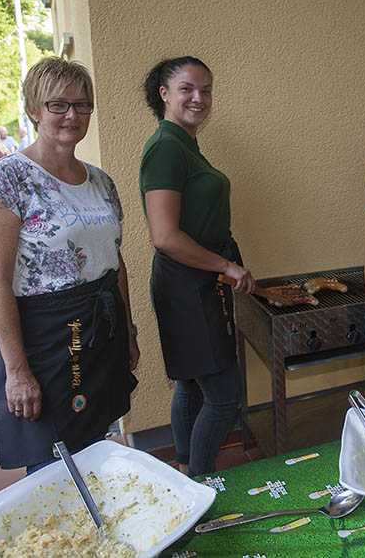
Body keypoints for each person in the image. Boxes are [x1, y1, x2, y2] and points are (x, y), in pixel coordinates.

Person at [0, 56, 139, 473]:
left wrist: (129, 331)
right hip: (47, 338)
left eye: (82, 105)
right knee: (52, 459)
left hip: (100, 329)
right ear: (33, 109)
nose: (72, 115)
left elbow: (114, 262)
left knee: (95, 439)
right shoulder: (7, 180)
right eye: (58, 105)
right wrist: (16, 370)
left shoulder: (101, 181)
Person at [140, 56, 254, 476]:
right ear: (164, 94)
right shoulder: (167, 147)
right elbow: (165, 236)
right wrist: (227, 265)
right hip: (187, 285)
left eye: (206, 89)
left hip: (193, 281)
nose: (199, 97)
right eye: (187, 88)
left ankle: (186, 469)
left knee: (190, 381)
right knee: (223, 397)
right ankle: (202, 482)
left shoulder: (183, 143)